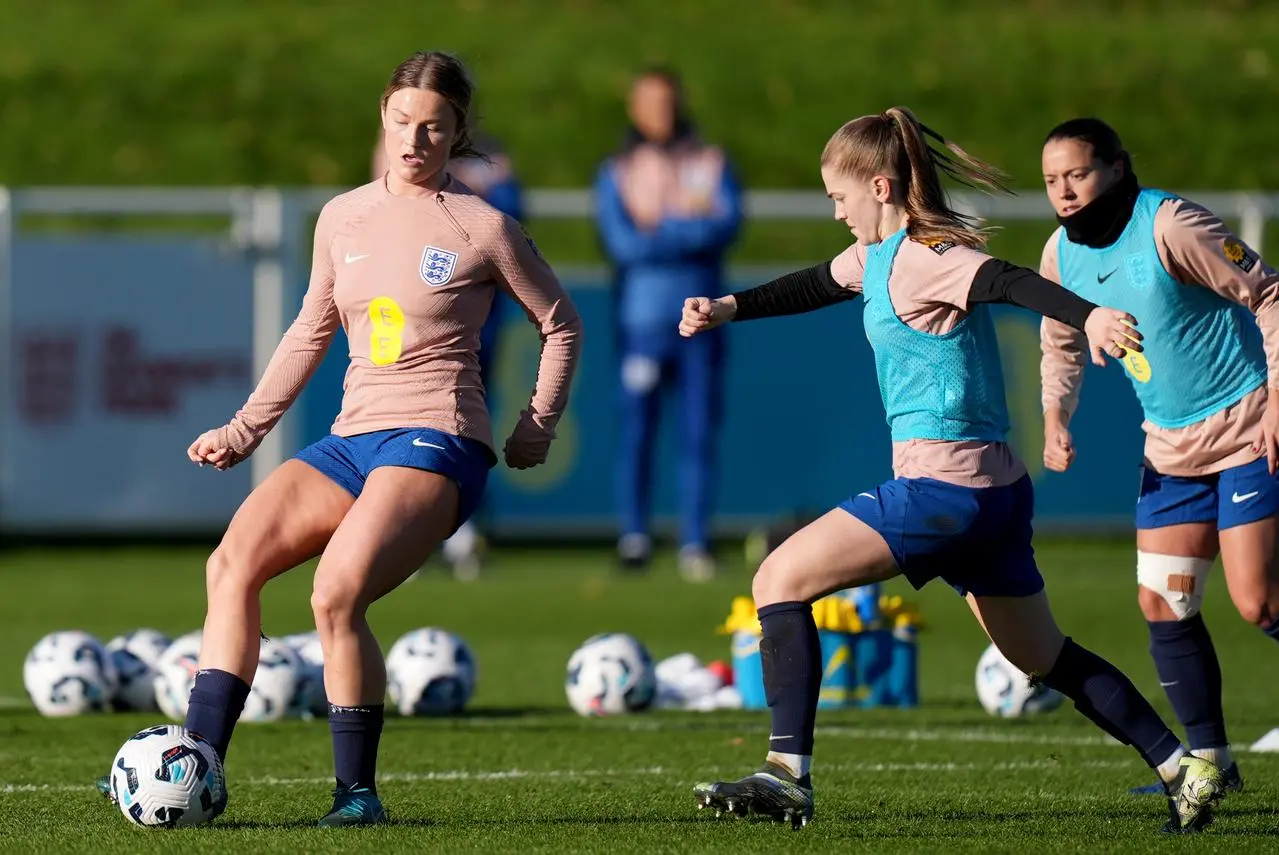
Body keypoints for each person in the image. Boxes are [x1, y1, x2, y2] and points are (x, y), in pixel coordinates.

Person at [679, 107, 1225, 834]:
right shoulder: (875, 257)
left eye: (838, 197)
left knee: (776, 579)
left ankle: (786, 773)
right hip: (993, 499)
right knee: (1042, 654)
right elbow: (814, 283)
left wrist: (1089, 315)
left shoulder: (924, 254)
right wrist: (727, 308)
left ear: (878, 186)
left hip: (942, 492)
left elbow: (1005, 281)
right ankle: (1177, 765)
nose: (835, 211)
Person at [98, 50, 582, 826]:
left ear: (458, 132)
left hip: (438, 438)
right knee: (232, 563)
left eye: (433, 128)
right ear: (383, 117)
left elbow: (560, 324)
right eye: (400, 122)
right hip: (352, 437)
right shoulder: (343, 215)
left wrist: (535, 422)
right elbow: (309, 329)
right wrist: (245, 428)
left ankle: (357, 796)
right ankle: (198, 763)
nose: (413, 140)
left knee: (335, 593)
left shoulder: (484, 225)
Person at [1038, 117, 1279, 796]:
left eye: (1076, 174)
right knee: (1161, 602)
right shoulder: (1060, 252)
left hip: (1245, 428)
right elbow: (1059, 341)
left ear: (1115, 168)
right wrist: (1056, 415)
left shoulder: (1169, 223)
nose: (1063, 191)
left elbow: (1269, 293)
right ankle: (1212, 764)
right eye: (1051, 180)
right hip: (1168, 448)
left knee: (1257, 601)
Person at [594, 66, 744, 581]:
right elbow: (622, 243)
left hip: (702, 320)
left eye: (666, 101)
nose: (659, 112)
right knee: (637, 430)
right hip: (644, 321)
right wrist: (687, 232)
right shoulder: (618, 168)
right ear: (635, 107)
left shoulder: (709, 160)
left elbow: (726, 223)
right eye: (648, 102)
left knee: (698, 430)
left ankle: (695, 540)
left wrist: (662, 228)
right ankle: (634, 535)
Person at [373, 130, 527, 580]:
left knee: (465, 415)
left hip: (473, 309)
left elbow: (508, 219)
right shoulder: (399, 149)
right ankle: (400, 529)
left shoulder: (491, 154)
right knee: (399, 414)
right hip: (407, 307)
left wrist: (458, 197)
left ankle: (461, 528)